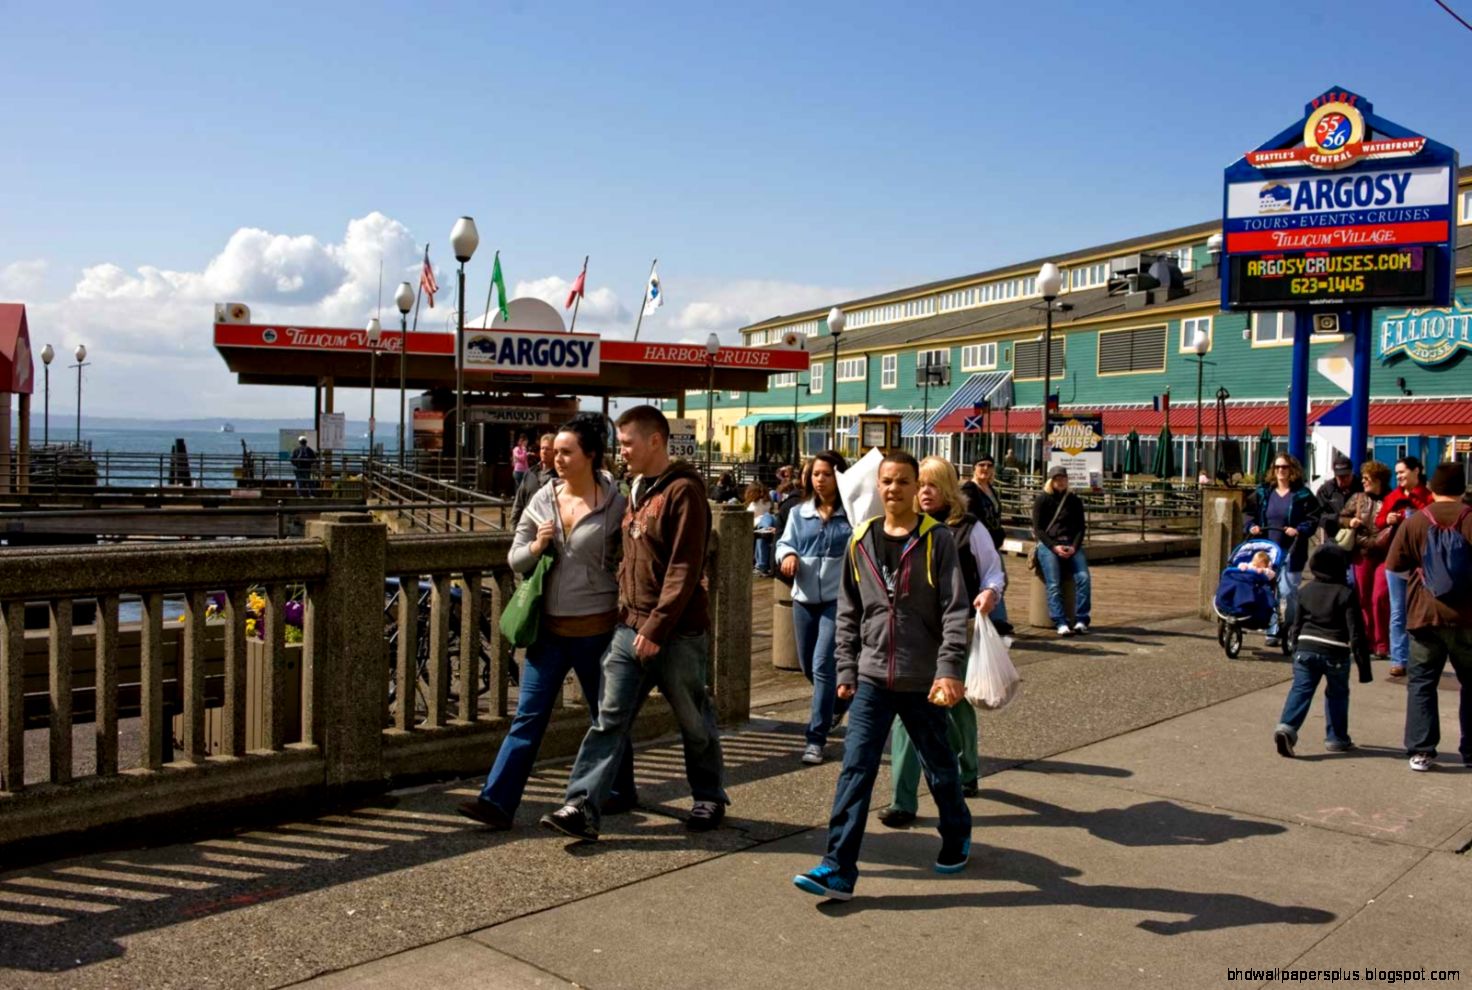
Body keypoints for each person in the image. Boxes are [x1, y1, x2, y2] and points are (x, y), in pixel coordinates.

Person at [541, 405, 728, 840]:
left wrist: (656, 628)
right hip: (629, 627)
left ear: (655, 441)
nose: (620, 451)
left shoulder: (684, 492)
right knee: (608, 719)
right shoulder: (637, 487)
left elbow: (684, 568)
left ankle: (708, 795)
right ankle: (580, 806)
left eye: (627, 443)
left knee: (693, 718)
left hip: (676, 633)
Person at [791, 451, 972, 901]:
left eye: (903, 482)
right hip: (872, 677)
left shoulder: (937, 540)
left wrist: (948, 669)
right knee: (855, 769)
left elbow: (954, 610)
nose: (894, 489)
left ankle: (956, 830)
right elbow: (848, 610)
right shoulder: (862, 539)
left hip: (922, 677)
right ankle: (838, 869)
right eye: (887, 481)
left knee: (939, 767)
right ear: (878, 486)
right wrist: (846, 667)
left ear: (916, 488)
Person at [458, 416, 636, 829]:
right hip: (549, 632)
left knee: (605, 716)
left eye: (567, 452)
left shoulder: (617, 503)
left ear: (591, 455)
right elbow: (515, 558)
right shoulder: (542, 498)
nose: (557, 459)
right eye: (556, 452)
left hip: (598, 631)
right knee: (528, 717)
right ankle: (497, 802)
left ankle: (620, 789)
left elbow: (633, 555)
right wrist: (537, 545)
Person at [879, 456, 1005, 828]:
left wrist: (989, 593)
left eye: (932, 485)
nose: (925, 492)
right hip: (912, 634)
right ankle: (902, 801)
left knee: (956, 706)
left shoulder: (969, 528)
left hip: (957, 629)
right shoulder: (904, 527)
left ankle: (967, 770)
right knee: (907, 714)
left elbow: (993, 571)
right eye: (920, 485)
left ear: (948, 488)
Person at [1385, 462, 1472, 772]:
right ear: (1463, 489)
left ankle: (1421, 750)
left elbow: (1394, 565)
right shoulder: (1470, 518)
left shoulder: (1417, 521)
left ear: (1433, 489)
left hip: (1424, 614)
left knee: (1422, 683)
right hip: (1467, 617)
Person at [774, 451, 852, 765]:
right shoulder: (798, 512)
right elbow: (783, 543)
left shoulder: (852, 514)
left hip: (838, 600)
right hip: (803, 599)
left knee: (822, 665)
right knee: (808, 665)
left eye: (827, 474)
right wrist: (788, 555)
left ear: (839, 477)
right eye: (816, 474)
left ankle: (815, 739)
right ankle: (838, 703)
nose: (820, 480)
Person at [1272, 544, 1372, 758]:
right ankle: (1336, 738)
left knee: (1301, 690)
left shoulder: (1305, 591)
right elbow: (1356, 632)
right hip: (1335, 650)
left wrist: (1295, 650)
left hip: (1306, 647)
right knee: (1337, 694)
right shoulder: (1346, 593)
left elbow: (1296, 624)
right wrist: (1364, 668)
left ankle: (1286, 728)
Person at [1244, 453, 1319, 648]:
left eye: (1284, 467)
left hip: (1292, 550)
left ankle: (1291, 628)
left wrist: (1299, 529)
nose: (1280, 471)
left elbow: (1313, 518)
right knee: (1268, 590)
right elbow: (1249, 513)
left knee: (1287, 591)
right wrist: (1251, 526)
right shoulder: (1263, 493)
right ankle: (1272, 630)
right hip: (1267, 550)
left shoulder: (1302, 494)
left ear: (1292, 469)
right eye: (1277, 467)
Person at [1380, 456, 1433, 677]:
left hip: (1421, 564)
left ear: (1416, 471)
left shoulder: (1428, 497)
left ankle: (1419, 658)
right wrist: (1388, 519)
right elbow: (1379, 521)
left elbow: (1433, 520)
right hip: (1395, 561)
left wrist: (1413, 508)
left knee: (1419, 612)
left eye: (1402, 472)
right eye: (1397, 473)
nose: (1399, 476)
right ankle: (1399, 659)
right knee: (1397, 613)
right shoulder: (1392, 496)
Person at [1339, 461, 1393, 664]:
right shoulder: (1358, 498)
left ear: (1378, 480)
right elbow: (1342, 517)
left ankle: (1382, 643)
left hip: (1384, 554)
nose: (1363, 481)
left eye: (1367, 478)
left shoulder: (1391, 498)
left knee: (1379, 597)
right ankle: (1366, 641)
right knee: (1362, 598)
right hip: (1361, 553)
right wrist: (1349, 522)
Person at [959, 453, 1014, 639]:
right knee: (995, 580)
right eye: (981, 465)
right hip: (980, 542)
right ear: (974, 467)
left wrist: (1000, 533)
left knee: (998, 580)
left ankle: (995, 620)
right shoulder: (970, 489)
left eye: (989, 465)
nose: (985, 469)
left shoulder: (990, 488)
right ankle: (996, 620)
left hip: (993, 541)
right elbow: (972, 517)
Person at [1031, 465, 1091, 636]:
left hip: (1071, 543)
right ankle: (1060, 621)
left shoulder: (1074, 500)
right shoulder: (1042, 499)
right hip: (1049, 544)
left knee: (1083, 578)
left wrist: (1074, 546)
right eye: (1057, 479)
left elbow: (1080, 528)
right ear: (1051, 481)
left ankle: (1081, 619)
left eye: (1063, 478)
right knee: (1054, 583)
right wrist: (1053, 546)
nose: (1061, 482)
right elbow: (1038, 529)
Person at [510, 433, 557, 529]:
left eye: (548, 449)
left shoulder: (560, 476)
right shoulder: (530, 473)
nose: (544, 452)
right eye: (542, 448)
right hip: (527, 527)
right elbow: (519, 502)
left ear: (555, 452)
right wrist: (513, 526)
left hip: (549, 529)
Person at [1315, 454, 1362, 541]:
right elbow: (1318, 515)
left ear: (1351, 472)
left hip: (1358, 537)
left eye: (1346, 476)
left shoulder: (1361, 487)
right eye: (1340, 477)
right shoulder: (1325, 490)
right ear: (1335, 475)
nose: (1344, 479)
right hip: (1333, 537)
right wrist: (1341, 520)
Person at [745, 481, 777, 576]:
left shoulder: (753, 504)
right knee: (763, 532)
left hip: (759, 524)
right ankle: (761, 565)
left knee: (761, 534)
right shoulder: (768, 501)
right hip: (767, 523)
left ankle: (761, 565)